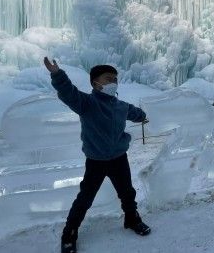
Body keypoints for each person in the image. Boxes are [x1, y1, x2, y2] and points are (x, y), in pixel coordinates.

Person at [43, 57, 151, 253]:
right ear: (96, 83)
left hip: (119, 158)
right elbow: (69, 93)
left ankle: (132, 218)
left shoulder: (120, 105)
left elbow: (134, 112)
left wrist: (143, 116)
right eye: (108, 79)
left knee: (127, 192)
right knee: (85, 198)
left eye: (115, 79)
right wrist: (57, 74)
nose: (113, 83)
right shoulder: (87, 103)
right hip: (96, 161)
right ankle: (70, 232)